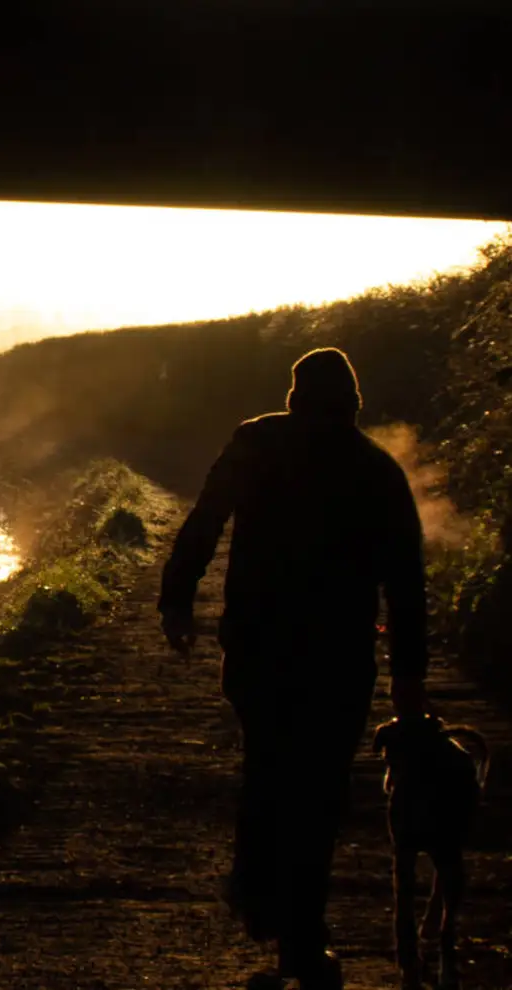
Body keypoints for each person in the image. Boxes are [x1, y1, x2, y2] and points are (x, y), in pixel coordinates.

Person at [158, 346, 428, 990]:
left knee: (267, 771)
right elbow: (406, 585)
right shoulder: (376, 470)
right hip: (338, 658)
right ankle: (300, 935)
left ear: (292, 399)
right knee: (319, 792)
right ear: (354, 406)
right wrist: (408, 676)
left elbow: (204, 524)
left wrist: (177, 601)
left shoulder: (256, 444)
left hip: (259, 647)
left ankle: (262, 900)